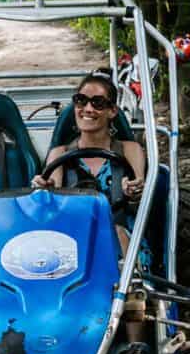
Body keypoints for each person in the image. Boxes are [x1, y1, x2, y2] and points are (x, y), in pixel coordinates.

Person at [31, 69, 147, 255]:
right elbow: (51, 198)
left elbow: (138, 188)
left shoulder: (129, 149)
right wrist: (45, 189)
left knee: (116, 233)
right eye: (81, 101)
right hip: (72, 237)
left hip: (121, 237)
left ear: (112, 111)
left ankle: (129, 282)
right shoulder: (59, 154)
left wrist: (132, 190)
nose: (88, 109)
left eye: (98, 103)